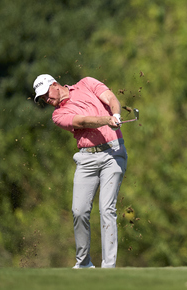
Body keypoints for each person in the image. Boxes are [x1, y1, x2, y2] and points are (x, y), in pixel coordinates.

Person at [33, 74, 127, 269]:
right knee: (79, 211)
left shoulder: (87, 83)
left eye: (46, 94)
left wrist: (116, 114)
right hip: (86, 160)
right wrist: (106, 119)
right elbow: (83, 122)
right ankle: (83, 263)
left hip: (113, 153)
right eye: (42, 99)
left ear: (55, 85)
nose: (46, 100)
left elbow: (110, 98)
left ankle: (109, 267)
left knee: (106, 209)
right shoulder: (57, 115)